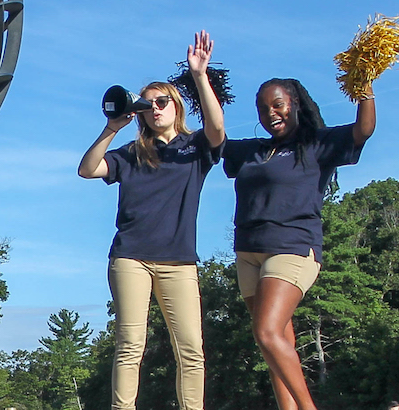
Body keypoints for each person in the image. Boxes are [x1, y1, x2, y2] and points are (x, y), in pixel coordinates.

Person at [78, 31, 225, 410]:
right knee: (130, 345)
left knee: (191, 348)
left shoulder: (194, 150)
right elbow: (87, 169)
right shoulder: (130, 153)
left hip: (179, 261)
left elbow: (218, 130)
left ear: (176, 106)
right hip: (131, 258)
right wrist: (113, 127)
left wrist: (199, 76)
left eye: (163, 102)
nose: (156, 109)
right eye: (149, 104)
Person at [222, 78, 375, 410]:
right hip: (248, 253)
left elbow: (363, 130)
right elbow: (215, 139)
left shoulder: (317, 143)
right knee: (274, 342)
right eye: (263, 109)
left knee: (266, 332)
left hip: (291, 248)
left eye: (277, 105)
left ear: (295, 103)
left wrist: (364, 85)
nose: (270, 113)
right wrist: (203, 80)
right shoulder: (253, 150)